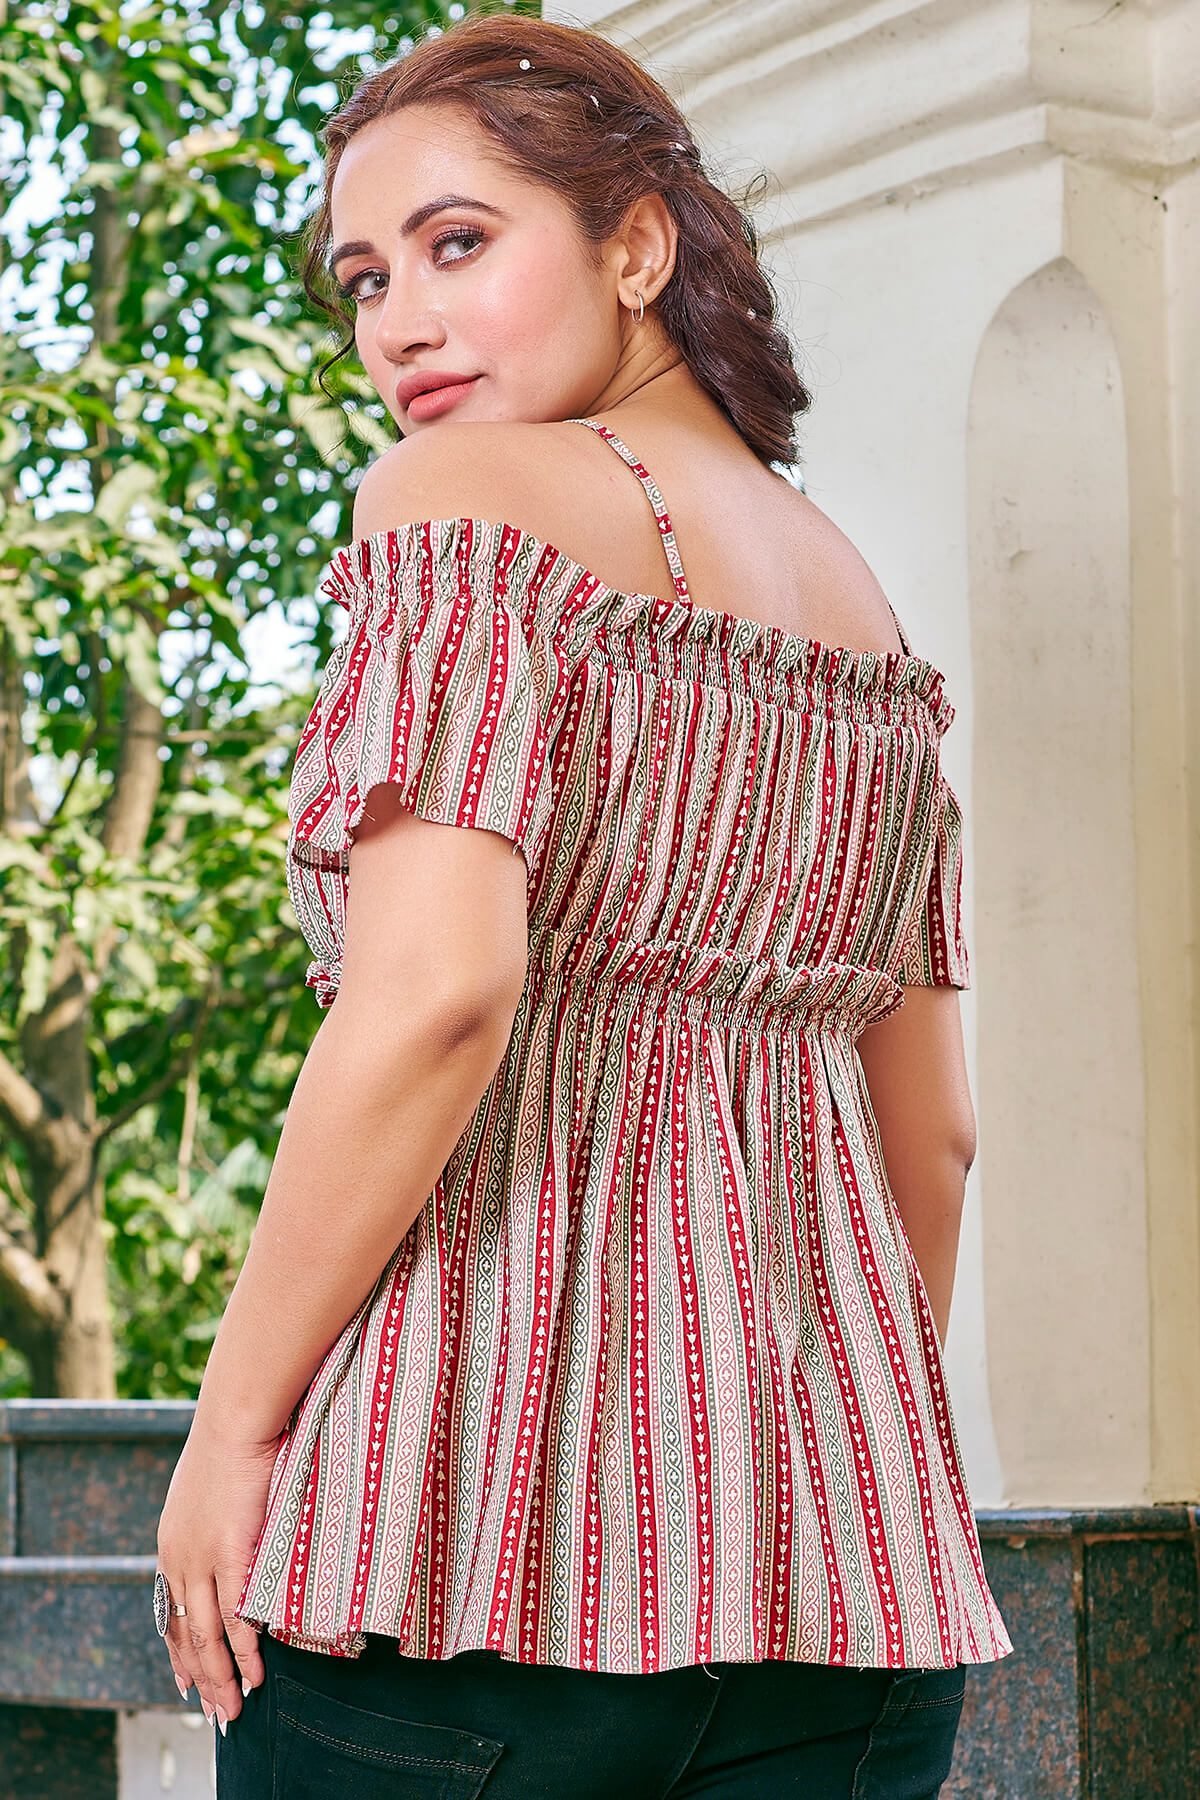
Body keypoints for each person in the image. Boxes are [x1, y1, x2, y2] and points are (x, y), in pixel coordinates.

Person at [152, 11, 1013, 1795]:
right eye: (364, 279)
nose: (397, 323)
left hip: (457, 1586)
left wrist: (231, 1431)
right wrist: (802, 1470)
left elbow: (437, 999)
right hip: (842, 1622)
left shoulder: (460, 501)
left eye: (458, 243)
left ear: (637, 246)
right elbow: (928, 1141)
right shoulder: (864, 622)